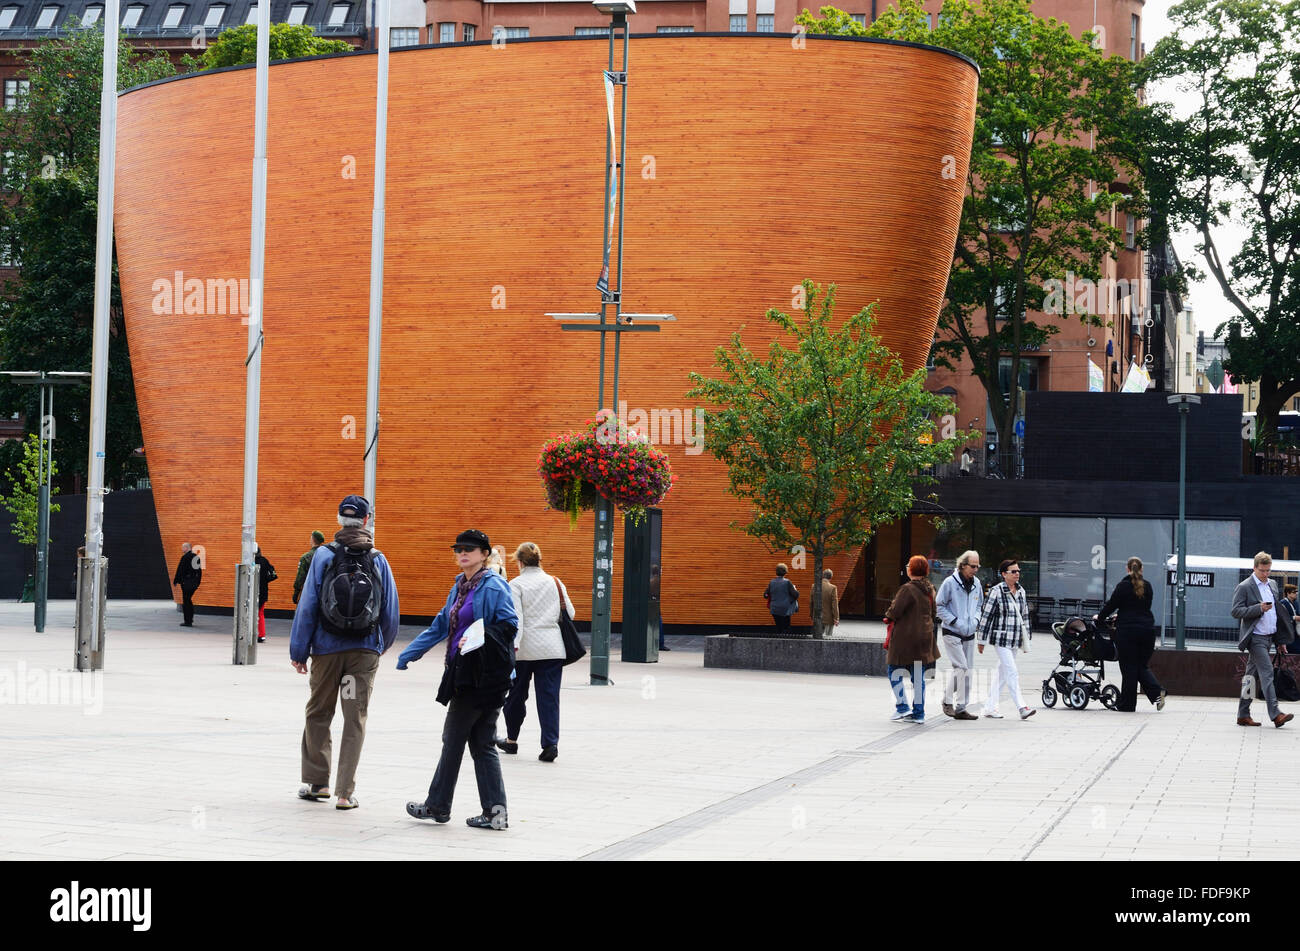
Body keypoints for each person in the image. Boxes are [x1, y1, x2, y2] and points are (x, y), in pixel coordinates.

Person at [401, 529, 519, 830]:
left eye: (470, 549)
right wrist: (410, 653)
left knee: (452, 741)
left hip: (481, 677)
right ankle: (496, 814)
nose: (462, 553)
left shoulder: (493, 587)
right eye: (458, 549)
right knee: (482, 744)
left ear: (484, 554)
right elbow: (441, 624)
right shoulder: (460, 586)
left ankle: (438, 806)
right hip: (466, 673)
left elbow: (509, 624)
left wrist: (478, 637)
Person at [289, 494, 400, 810]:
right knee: (354, 717)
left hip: (326, 651)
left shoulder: (323, 556)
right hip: (362, 653)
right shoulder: (377, 558)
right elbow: (391, 610)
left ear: (339, 520)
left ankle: (317, 784)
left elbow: (308, 605)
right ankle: (344, 792)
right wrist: (378, 646)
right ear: (366, 520)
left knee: (319, 712)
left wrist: (299, 650)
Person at [496, 542, 574, 762]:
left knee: (516, 696)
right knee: (549, 698)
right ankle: (550, 744)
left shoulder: (516, 584)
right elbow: (571, 612)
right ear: (540, 560)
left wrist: (515, 645)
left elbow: (517, 619)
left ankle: (511, 740)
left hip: (525, 650)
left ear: (519, 562)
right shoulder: (555, 582)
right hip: (552, 649)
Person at [1232, 551, 1296, 727]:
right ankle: (1275, 714)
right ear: (1254, 568)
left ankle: (1243, 714)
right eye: (1262, 570)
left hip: (1269, 638)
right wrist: (1258, 608)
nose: (1266, 574)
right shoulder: (1245, 586)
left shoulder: (1273, 585)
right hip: (1255, 638)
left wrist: (1280, 641)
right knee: (1267, 673)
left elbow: (1275, 614)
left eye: (1268, 570)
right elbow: (1236, 611)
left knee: (1250, 677)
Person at [1097, 556, 1166, 712]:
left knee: (1129, 668)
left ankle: (1128, 705)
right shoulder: (1147, 586)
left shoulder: (1123, 586)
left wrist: (1100, 619)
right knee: (1140, 666)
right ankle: (1157, 692)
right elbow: (1140, 608)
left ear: (1127, 569)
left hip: (1128, 632)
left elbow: (1111, 605)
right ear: (1141, 569)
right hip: (1148, 631)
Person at [977, 559, 1035, 720]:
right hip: (1001, 638)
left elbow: (1025, 617)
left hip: (1015, 639)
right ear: (1004, 574)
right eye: (1013, 571)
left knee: (1002, 674)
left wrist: (1026, 640)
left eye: (1018, 571)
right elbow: (986, 616)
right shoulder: (996, 591)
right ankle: (1022, 706)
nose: (1017, 574)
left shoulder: (1021, 591)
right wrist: (981, 640)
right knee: (1012, 671)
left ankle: (989, 707)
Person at [884, 555, 940, 723]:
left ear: (912, 569)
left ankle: (902, 707)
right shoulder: (930, 589)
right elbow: (934, 613)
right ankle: (918, 713)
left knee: (893, 671)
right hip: (924, 638)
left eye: (909, 565)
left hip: (905, 637)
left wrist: (888, 614)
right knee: (918, 676)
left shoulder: (907, 589)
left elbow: (895, 611)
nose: (907, 566)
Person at [935, 549, 983, 720]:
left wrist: (976, 620)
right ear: (962, 565)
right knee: (961, 668)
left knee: (967, 671)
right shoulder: (950, 582)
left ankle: (961, 708)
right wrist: (955, 621)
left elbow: (979, 606)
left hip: (970, 632)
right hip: (952, 631)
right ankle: (947, 700)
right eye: (973, 566)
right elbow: (939, 606)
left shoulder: (977, 583)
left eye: (978, 566)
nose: (976, 569)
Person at [172, 542, 202, 627]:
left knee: (186, 601)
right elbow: (198, 571)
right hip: (193, 583)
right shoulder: (196, 557)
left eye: (182, 548)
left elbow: (180, 570)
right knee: (188, 600)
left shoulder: (185, 557)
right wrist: (197, 582)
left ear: (186, 548)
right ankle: (190, 619)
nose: (182, 549)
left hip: (186, 583)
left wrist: (176, 580)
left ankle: (188, 621)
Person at [293, 530, 325, 605]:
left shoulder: (306, 557)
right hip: (324, 592)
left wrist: (296, 592)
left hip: (309, 592)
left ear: (312, 539)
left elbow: (300, 577)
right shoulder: (326, 556)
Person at [764, 564, 798, 633]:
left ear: (776, 572)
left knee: (779, 627)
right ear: (785, 572)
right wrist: (795, 589)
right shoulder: (787, 582)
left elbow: (765, 595)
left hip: (774, 608)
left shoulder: (772, 582)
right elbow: (796, 595)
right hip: (785, 609)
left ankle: (778, 639)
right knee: (786, 627)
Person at [254, 546, 276, 644]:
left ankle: (251, 633)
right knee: (260, 613)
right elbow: (273, 574)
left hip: (252, 590)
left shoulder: (250, 562)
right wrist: (265, 581)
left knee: (249, 613)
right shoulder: (265, 561)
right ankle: (261, 635)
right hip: (263, 591)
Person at [820, 568, 840, 634]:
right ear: (831, 577)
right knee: (828, 637)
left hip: (817, 617)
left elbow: (811, 602)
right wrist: (836, 618)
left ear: (822, 576)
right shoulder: (833, 588)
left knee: (817, 636)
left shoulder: (814, 586)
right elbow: (834, 604)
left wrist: (812, 614)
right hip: (829, 618)